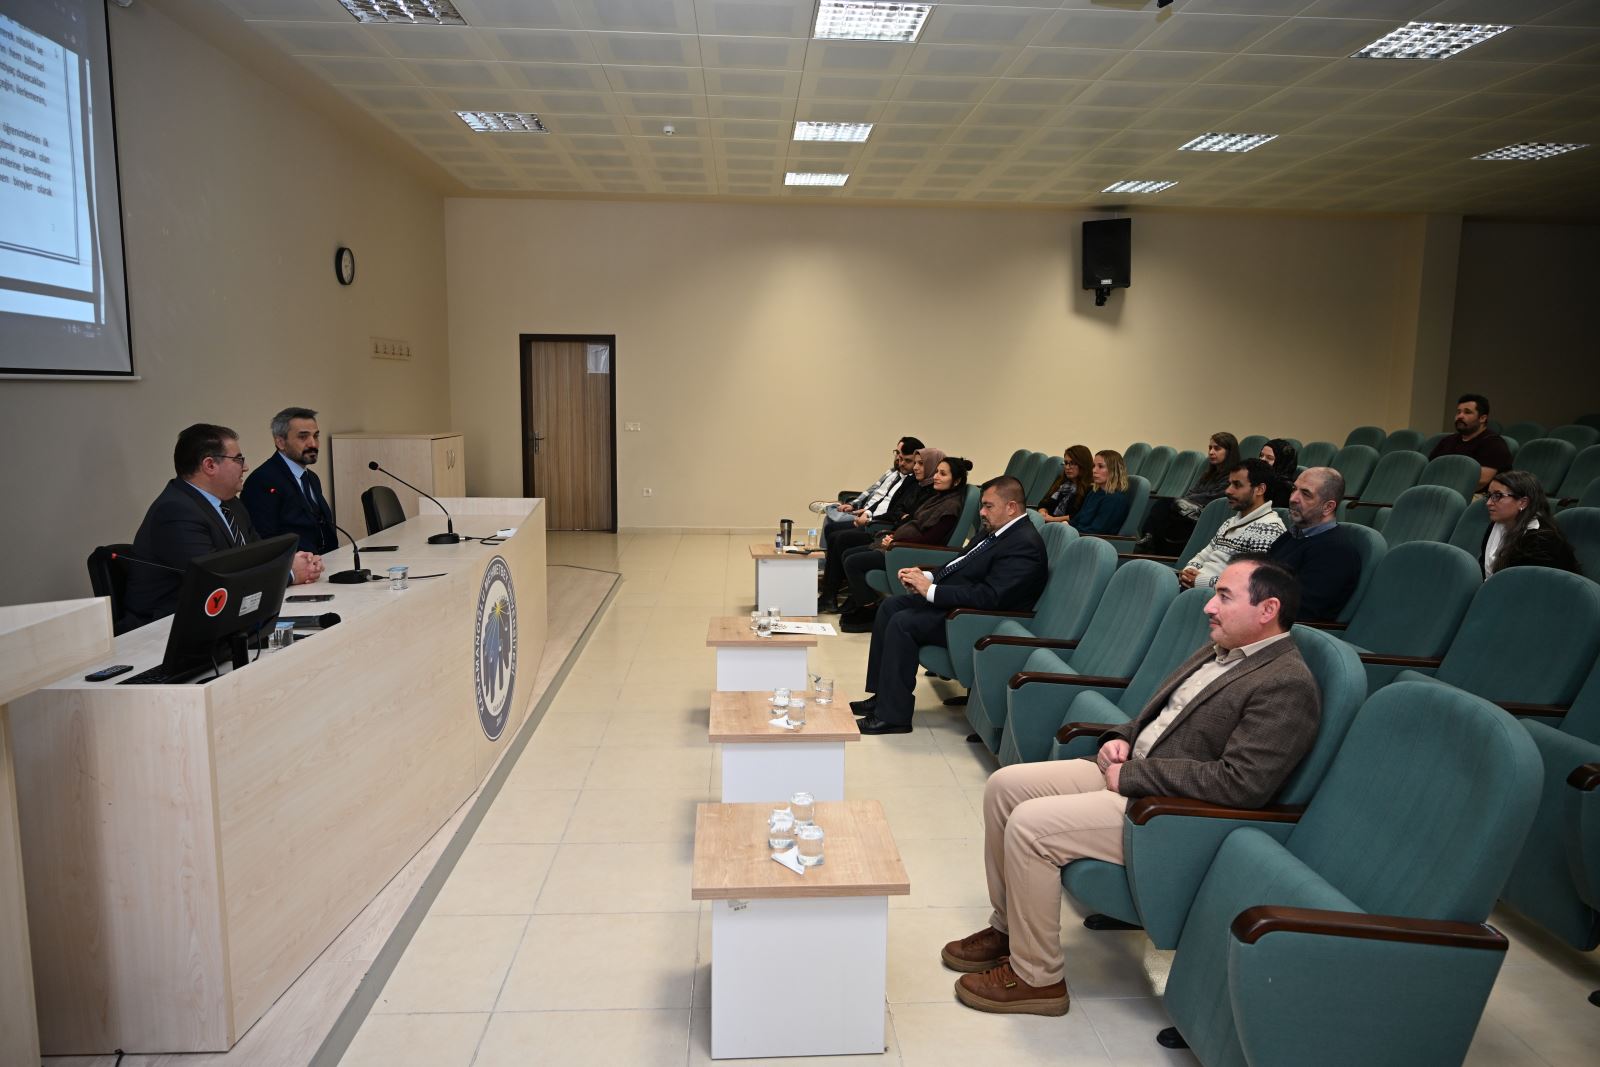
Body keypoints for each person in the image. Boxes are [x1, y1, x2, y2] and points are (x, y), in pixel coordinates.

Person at [942, 557, 1319, 1016]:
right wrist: (1119, 737)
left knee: (1030, 826)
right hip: (1134, 774)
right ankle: (1009, 930)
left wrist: (1135, 776)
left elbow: (1243, 784)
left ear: (1268, 609)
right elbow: (1161, 716)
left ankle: (1037, 979)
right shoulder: (1221, 648)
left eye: (1224, 596)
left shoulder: (1286, 683)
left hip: (1169, 812)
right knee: (1004, 787)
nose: (1208, 606)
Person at [849, 476, 1048, 735]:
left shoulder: (1025, 544)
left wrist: (932, 591)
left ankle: (893, 716)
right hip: (963, 607)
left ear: (1011, 507)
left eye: (988, 506)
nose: (982, 512)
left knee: (903, 623)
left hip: (981, 621)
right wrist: (926, 577)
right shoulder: (997, 529)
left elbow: (990, 597)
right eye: (982, 505)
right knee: (891, 607)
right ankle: (883, 696)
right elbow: (960, 563)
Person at [123, 423, 323, 626]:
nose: (245, 467)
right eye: (238, 459)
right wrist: (289, 574)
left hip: (225, 620)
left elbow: (259, 555)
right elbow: (216, 583)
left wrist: (294, 562)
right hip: (166, 629)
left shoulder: (231, 503)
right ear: (210, 465)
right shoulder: (175, 512)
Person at [838, 456, 973, 630]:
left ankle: (869, 611)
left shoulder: (951, 506)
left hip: (908, 553)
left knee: (853, 562)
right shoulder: (938, 497)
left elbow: (931, 539)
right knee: (848, 554)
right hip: (899, 546)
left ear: (956, 481)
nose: (936, 477)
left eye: (943, 474)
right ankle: (863, 603)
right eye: (937, 472)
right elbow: (913, 523)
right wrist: (893, 537)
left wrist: (897, 543)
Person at [819, 446, 943, 611]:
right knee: (835, 533)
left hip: (894, 537)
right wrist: (874, 513)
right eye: (915, 463)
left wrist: (892, 530)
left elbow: (916, 522)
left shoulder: (932, 494)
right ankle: (835, 594)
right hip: (890, 531)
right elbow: (896, 508)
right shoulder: (915, 484)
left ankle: (858, 603)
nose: (914, 467)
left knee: (843, 542)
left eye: (919, 463)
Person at [1265, 467, 1361, 622]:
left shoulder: (1336, 552)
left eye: (1306, 494)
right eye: (1294, 489)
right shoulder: (1291, 535)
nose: (1293, 498)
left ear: (1328, 507)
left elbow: (1300, 611)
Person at [240, 406, 338, 554]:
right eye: (303, 437)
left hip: (327, 560)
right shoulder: (262, 480)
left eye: (316, 436)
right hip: (294, 565)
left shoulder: (311, 478)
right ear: (280, 442)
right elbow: (264, 539)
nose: (313, 444)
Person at [1178, 458, 1287, 590]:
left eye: (1237, 485)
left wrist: (1200, 580)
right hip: (1194, 588)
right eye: (1230, 484)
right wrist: (1189, 571)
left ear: (1260, 489)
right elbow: (1203, 555)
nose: (1228, 491)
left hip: (1218, 597)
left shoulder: (1269, 529)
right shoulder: (1230, 522)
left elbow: (1249, 583)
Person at [1135, 432, 1240, 554]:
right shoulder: (1208, 474)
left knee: (1165, 504)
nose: (1211, 452)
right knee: (1165, 507)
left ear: (1229, 452)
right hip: (1191, 512)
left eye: (1217, 448)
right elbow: (1192, 492)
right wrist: (1189, 499)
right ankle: (1149, 539)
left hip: (1204, 516)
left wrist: (1188, 499)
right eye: (1210, 448)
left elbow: (1213, 497)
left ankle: (1150, 541)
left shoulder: (1233, 476)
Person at [1481, 470, 1581, 578]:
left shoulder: (1543, 541)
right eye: (1489, 495)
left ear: (1523, 502)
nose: (1488, 503)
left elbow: (1532, 583)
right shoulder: (1496, 525)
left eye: (1497, 496)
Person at [819, 437, 923, 540]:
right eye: (898, 454)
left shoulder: (912, 482)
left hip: (877, 522)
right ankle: (833, 509)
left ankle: (832, 508)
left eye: (907, 459)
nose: (900, 461)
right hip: (867, 512)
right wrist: (856, 506)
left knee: (835, 529)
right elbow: (873, 491)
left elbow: (893, 509)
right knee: (830, 523)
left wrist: (868, 515)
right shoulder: (893, 473)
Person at [1428, 394, 1512, 493]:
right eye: (1458, 412)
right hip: (1442, 490)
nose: (1460, 416)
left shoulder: (1493, 443)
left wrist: (1446, 493)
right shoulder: (1448, 441)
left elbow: (1481, 481)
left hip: (1479, 495)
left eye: (1467, 412)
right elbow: (1430, 469)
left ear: (1482, 418)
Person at [1068, 450, 1135, 535]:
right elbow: (1077, 520)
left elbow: (1096, 531)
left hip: (1090, 540)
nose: (1094, 470)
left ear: (1114, 470)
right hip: (1079, 535)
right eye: (1093, 466)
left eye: (1100, 466)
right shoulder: (1094, 493)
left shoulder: (1115, 499)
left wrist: (1069, 532)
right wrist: (1066, 525)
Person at [1037, 445, 1094, 523]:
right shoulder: (1061, 481)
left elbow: (1079, 516)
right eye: (1066, 463)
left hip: (1065, 526)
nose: (1067, 467)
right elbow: (1044, 503)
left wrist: (1053, 520)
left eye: (1072, 463)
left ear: (1083, 465)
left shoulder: (1090, 489)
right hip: (1047, 522)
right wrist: (1042, 512)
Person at [1260, 438, 1298, 508]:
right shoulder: (1258, 477)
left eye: (1269, 458)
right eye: (1261, 455)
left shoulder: (1284, 489)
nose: (1262, 460)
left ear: (1281, 462)